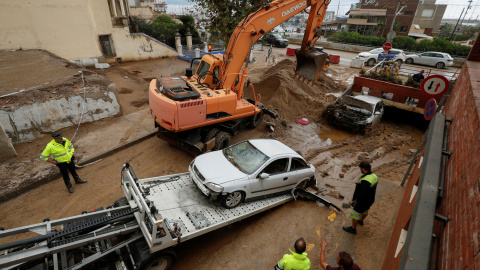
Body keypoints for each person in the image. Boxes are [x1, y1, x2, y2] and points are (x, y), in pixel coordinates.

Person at [343, 162, 378, 235]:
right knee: (365, 210)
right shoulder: (374, 176)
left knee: (355, 214)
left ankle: (353, 229)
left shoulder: (366, 180)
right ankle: (361, 220)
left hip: (363, 201)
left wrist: (356, 201)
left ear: (364, 169)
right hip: (370, 200)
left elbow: (362, 193)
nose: (360, 170)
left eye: (360, 168)